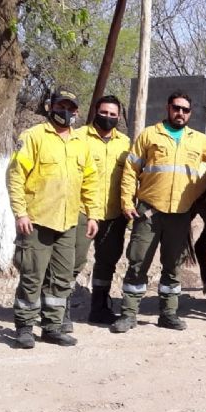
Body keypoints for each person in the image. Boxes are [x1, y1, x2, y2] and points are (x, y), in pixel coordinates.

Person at [112, 91, 206, 333]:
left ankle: (168, 313)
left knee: (173, 267)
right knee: (138, 263)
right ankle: (128, 314)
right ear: (168, 108)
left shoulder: (197, 140)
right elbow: (130, 170)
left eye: (185, 110)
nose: (180, 113)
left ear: (190, 113)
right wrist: (127, 202)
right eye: (176, 108)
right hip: (149, 212)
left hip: (180, 214)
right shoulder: (149, 135)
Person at [7, 88, 101, 348]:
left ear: (77, 112)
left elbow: (90, 182)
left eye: (71, 108)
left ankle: (52, 327)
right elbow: (15, 176)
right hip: (36, 220)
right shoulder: (34, 137)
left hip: (69, 222)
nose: (66, 112)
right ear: (50, 107)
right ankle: (25, 327)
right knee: (32, 276)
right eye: (61, 106)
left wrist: (93, 214)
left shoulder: (80, 143)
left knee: (61, 279)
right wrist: (20, 212)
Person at [66, 95, 131, 327]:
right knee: (73, 261)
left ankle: (99, 308)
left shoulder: (125, 142)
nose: (108, 118)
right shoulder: (78, 137)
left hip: (113, 214)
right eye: (104, 113)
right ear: (95, 111)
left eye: (113, 115)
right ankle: (60, 313)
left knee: (107, 262)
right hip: (82, 211)